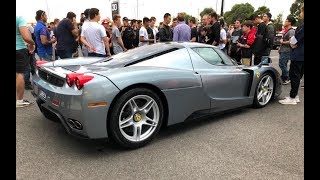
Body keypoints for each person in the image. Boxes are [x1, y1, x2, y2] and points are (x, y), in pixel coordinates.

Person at [279, 3, 304, 105]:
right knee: (298, 76)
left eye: (301, 11)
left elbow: (294, 39)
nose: (300, 13)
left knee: (294, 76)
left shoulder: (303, 25)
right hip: (302, 54)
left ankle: (292, 97)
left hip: (298, 54)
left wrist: (292, 43)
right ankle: (295, 96)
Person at [16, 16, 35, 107]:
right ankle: (19, 101)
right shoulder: (19, 18)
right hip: (18, 49)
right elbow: (26, 37)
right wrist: (33, 43)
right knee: (20, 74)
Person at [278, 16, 296, 85]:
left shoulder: (291, 31)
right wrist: (280, 47)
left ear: (289, 22)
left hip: (287, 50)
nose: (284, 22)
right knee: (284, 64)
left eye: (286, 21)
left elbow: (291, 41)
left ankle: (288, 77)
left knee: (282, 64)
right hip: (283, 50)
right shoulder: (287, 30)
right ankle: (284, 77)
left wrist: (282, 42)